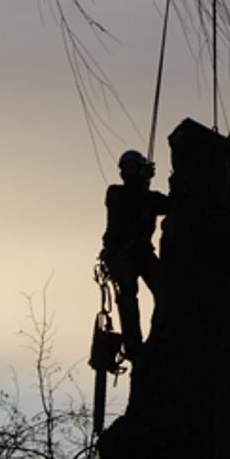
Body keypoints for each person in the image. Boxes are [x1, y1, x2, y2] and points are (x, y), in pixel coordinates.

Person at [100, 149, 168, 357]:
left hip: (142, 252)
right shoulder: (115, 193)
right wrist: (142, 181)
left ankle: (162, 337)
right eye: (127, 169)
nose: (129, 172)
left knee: (166, 290)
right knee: (128, 296)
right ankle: (133, 345)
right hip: (120, 253)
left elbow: (175, 205)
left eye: (133, 168)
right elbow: (130, 202)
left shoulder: (150, 199)